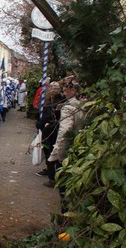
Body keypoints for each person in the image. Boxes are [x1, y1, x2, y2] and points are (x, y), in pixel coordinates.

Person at [48, 78, 85, 212]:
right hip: (81, 150)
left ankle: (65, 219)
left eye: (65, 90)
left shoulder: (69, 108)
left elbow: (64, 133)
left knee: (64, 190)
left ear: (73, 90)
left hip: (68, 153)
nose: (63, 93)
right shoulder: (85, 105)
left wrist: (59, 155)